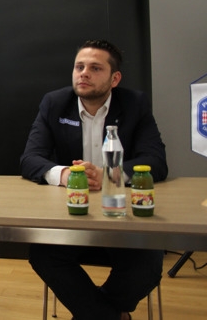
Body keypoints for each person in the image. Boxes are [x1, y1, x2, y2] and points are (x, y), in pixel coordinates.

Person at [20, 40, 168, 320]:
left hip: (123, 216)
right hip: (72, 215)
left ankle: (95, 314)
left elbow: (157, 162)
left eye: (95, 68)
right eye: (79, 67)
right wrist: (66, 175)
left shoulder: (135, 104)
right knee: (44, 255)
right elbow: (30, 159)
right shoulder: (54, 103)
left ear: (115, 79)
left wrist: (110, 175)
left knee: (146, 265)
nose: (84, 73)